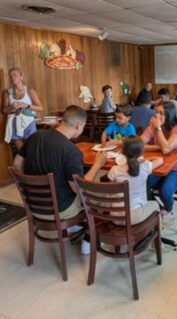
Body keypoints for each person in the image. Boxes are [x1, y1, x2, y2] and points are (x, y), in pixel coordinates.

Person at [12, 105, 105, 254]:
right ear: (79, 125)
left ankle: (76, 226)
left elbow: (16, 164)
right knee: (99, 195)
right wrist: (98, 165)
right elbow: (78, 188)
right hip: (60, 210)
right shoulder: (71, 150)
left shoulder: (35, 136)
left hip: (33, 207)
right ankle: (88, 238)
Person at [141, 101, 177, 227]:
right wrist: (158, 146)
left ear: (169, 115)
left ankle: (168, 210)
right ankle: (157, 208)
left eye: (161, 113)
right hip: (159, 167)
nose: (158, 116)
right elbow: (140, 144)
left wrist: (158, 129)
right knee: (142, 184)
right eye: (157, 112)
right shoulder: (153, 126)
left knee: (165, 191)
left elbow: (167, 149)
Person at [106, 136, 162, 224]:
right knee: (155, 205)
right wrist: (143, 160)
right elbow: (160, 160)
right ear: (142, 152)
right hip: (134, 216)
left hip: (115, 217)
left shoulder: (114, 170)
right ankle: (155, 233)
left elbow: (110, 192)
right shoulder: (145, 166)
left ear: (122, 152)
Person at [3, 67, 43, 151]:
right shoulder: (7, 93)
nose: (12, 78)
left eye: (15, 75)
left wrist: (26, 105)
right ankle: (25, 163)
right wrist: (12, 107)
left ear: (21, 77)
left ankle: (32, 163)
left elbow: (40, 107)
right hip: (14, 123)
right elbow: (4, 110)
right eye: (10, 76)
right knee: (21, 151)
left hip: (28, 122)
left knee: (32, 148)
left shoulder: (29, 91)